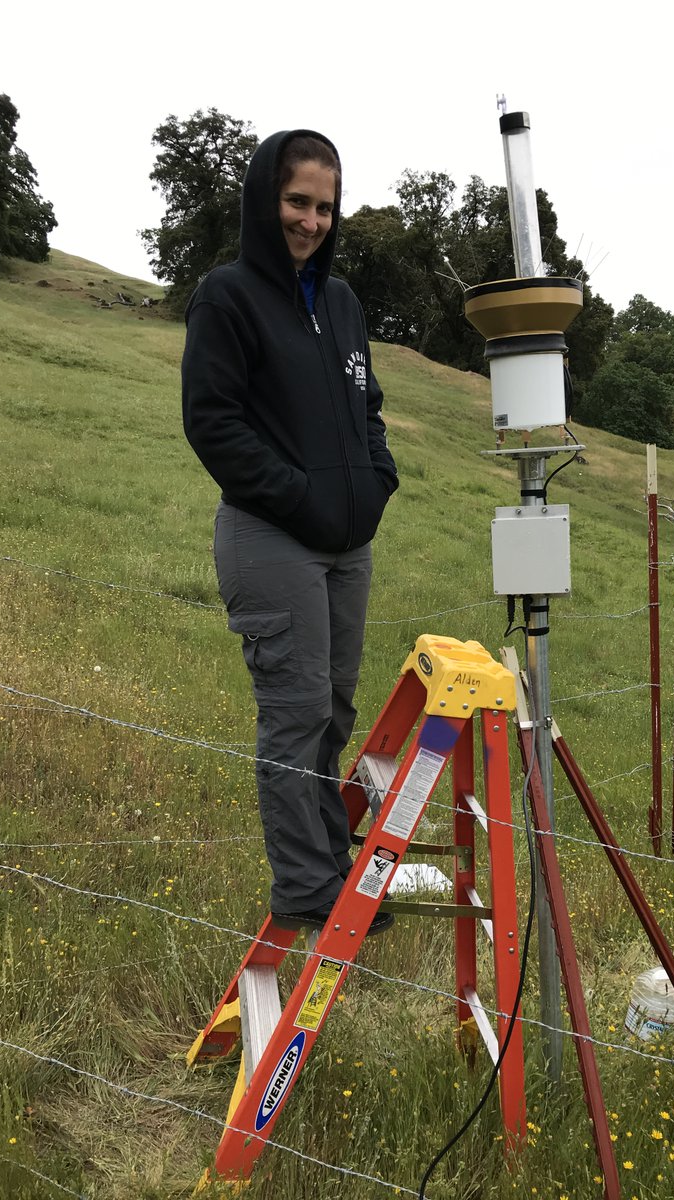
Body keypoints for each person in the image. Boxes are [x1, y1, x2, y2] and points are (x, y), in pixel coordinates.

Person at [181, 129, 398, 933]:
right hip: (269, 538)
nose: (311, 221)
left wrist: (378, 482)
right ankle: (308, 887)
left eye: (325, 207)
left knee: (334, 709)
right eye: (297, 202)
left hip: (349, 544)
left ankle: (329, 866)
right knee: (296, 708)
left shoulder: (341, 304)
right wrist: (302, 498)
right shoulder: (226, 296)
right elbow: (213, 424)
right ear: (266, 201)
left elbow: (365, 407)